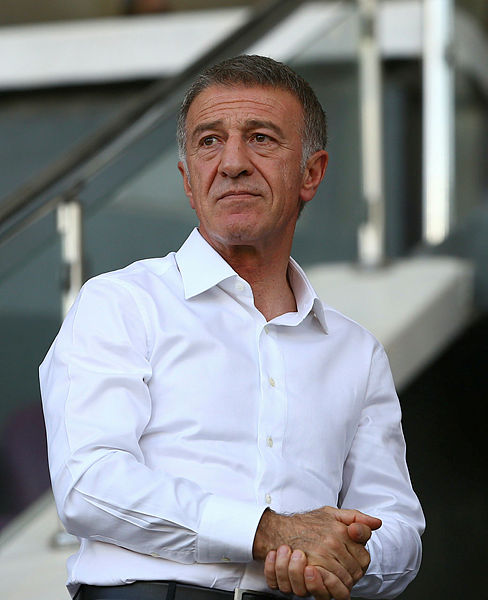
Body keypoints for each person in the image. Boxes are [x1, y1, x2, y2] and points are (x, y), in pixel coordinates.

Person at [40, 55, 424, 600]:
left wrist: (347, 556)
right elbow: (88, 483)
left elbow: (400, 529)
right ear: (188, 179)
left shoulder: (356, 351)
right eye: (209, 141)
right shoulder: (121, 303)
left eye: (261, 138)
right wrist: (268, 533)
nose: (233, 163)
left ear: (311, 173)